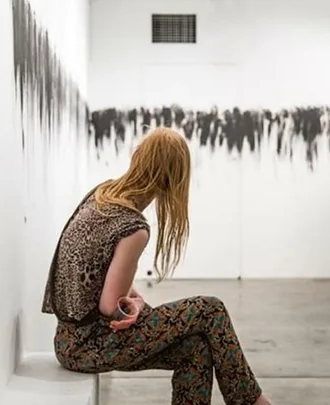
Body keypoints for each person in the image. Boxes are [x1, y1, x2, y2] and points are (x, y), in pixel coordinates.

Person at [41, 127, 271, 405]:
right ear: (171, 179)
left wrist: (134, 298)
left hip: (68, 340)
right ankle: (251, 402)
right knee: (211, 309)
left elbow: (102, 269)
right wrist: (131, 305)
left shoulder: (103, 193)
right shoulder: (133, 227)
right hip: (88, 345)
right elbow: (109, 307)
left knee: (195, 349)